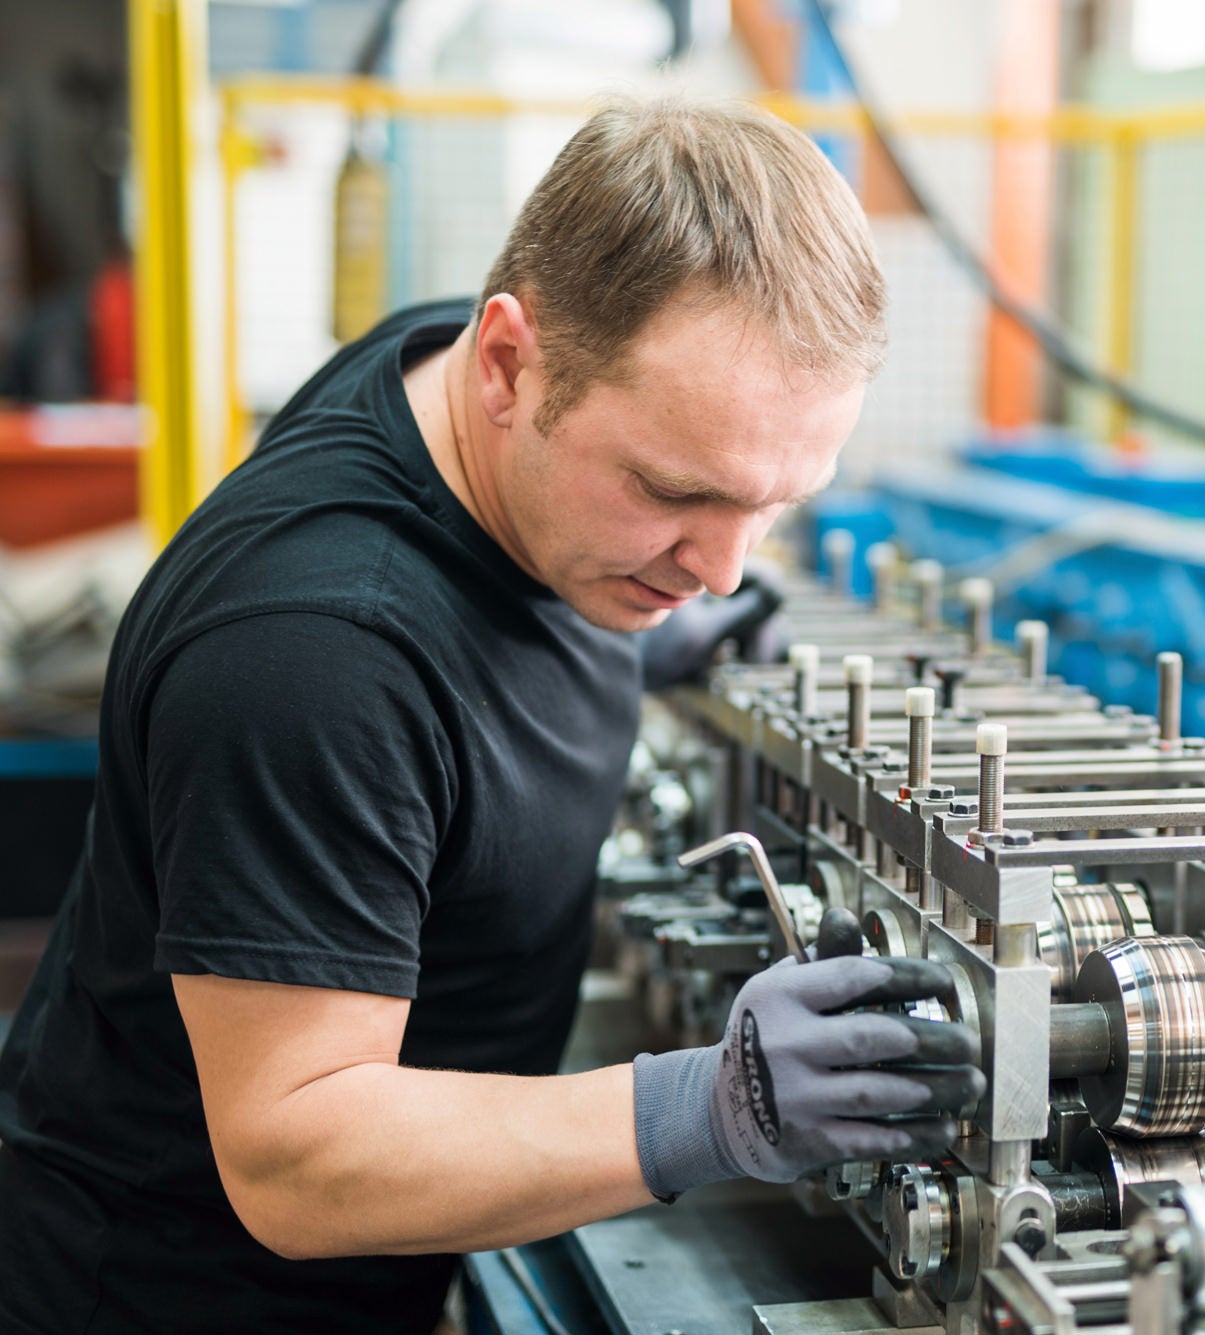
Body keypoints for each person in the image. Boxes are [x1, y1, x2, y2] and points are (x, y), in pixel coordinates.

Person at [0, 96, 983, 1334]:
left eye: (774, 503)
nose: (728, 569)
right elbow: (297, 1158)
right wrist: (712, 1105)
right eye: (675, 490)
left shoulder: (446, 379)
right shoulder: (312, 657)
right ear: (510, 362)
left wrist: (637, 603)